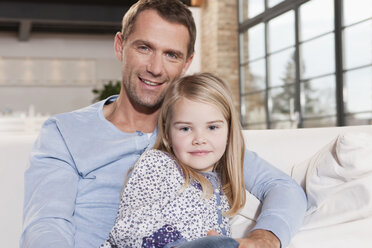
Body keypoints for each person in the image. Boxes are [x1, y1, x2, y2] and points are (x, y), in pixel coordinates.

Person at [21, 0, 307, 248]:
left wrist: (264, 237)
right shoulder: (64, 132)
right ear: (121, 46)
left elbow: (283, 187)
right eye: (145, 48)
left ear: (187, 63)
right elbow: (46, 225)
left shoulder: (197, 137)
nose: (156, 68)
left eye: (171, 55)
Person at [101, 73, 246, 248]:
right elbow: (131, 224)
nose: (199, 139)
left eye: (212, 127)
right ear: (168, 134)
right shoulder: (158, 164)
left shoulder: (224, 182)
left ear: (229, 132)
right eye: (185, 128)